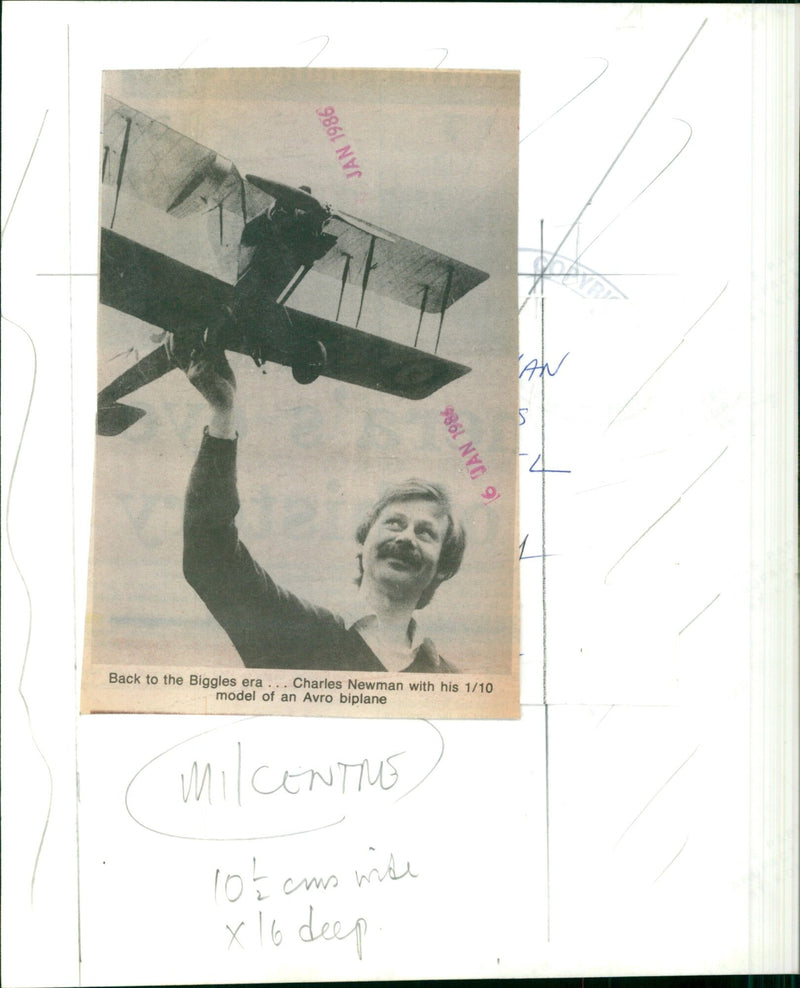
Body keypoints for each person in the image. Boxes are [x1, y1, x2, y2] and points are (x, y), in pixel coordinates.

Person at [176, 340, 466, 672]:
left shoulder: (449, 677)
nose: (406, 538)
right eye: (394, 523)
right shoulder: (296, 631)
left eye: (426, 532)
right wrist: (223, 411)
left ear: (444, 566)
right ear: (364, 539)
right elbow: (209, 555)